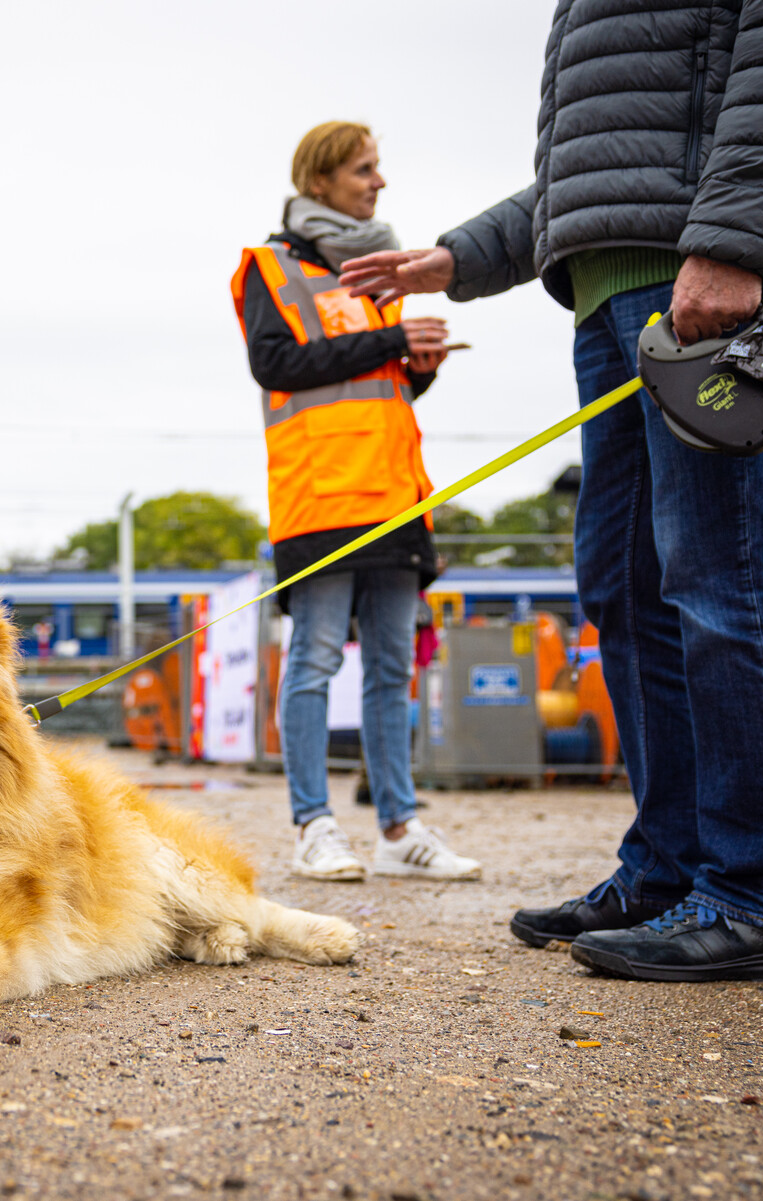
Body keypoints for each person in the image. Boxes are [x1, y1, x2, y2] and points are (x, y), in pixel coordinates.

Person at [337, 2, 763, 981]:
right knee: (628, 592)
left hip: (710, 270)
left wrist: (739, 236)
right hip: (619, 286)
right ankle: (672, 867)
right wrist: (468, 252)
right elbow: (617, 152)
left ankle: (757, 893)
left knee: (729, 581)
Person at [230, 121, 481, 883]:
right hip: (320, 500)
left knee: (392, 668)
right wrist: (391, 343)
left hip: (395, 498)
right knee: (312, 661)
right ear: (319, 181)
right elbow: (275, 364)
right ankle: (315, 825)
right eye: (364, 170)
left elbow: (376, 388)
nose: (379, 183)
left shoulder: (381, 272)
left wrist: (420, 365)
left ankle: (399, 829)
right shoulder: (270, 266)